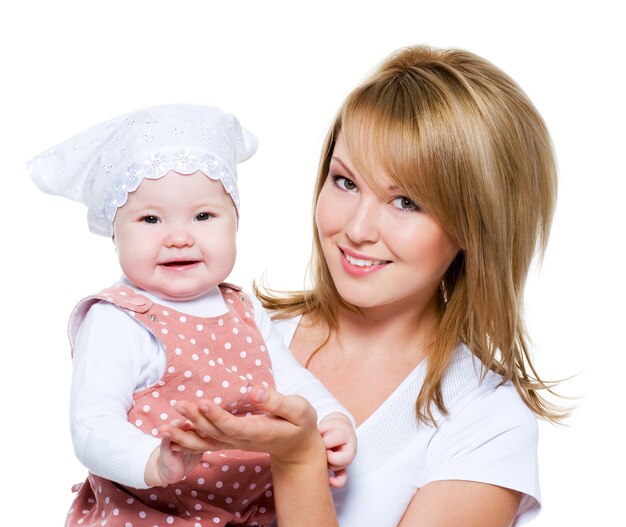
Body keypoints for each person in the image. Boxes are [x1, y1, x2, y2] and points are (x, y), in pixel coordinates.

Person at [164, 45, 567, 526]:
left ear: (475, 226)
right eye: (346, 182)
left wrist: (297, 461)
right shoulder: (236, 332)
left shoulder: (487, 424)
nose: (357, 229)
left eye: (406, 202)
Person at [27, 104, 356, 527]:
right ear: (115, 233)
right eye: (150, 218)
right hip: (152, 512)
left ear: (235, 222)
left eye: (203, 216)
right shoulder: (119, 320)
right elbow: (92, 425)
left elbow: (289, 380)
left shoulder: (242, 307)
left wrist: (331, 419)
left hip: (250, 512)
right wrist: (152, 462)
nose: (179, 237)